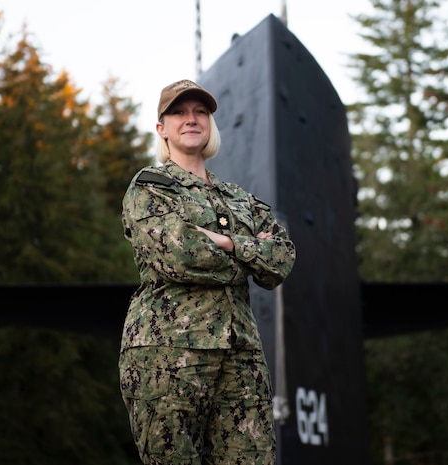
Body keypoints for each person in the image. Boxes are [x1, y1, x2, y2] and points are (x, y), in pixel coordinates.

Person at [118, 79, 296, 465]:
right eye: (179, 112)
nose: (191, 119)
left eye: (200, 111)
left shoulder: (240, 198)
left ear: (211, 124)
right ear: (162, 129)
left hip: (241, 355)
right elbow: (180, 256)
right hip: (168, 353)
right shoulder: (151, 188)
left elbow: (280, 259)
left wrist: (229, 243)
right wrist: (251, 252)